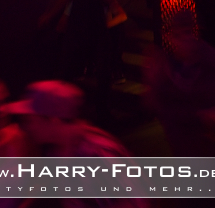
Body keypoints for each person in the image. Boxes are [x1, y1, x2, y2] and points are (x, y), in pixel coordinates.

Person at [7, 80, 145, 208]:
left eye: (29, 120)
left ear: (53, 120)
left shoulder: (98, 155)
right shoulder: (55, 150)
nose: (24, 127)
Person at [146, 9, 215, 157]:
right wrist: (151, 85)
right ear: (167, 36)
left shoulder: (213, 62)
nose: (184, 39)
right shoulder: (164, 65)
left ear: (196, 32)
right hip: (184, 152)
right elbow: (154, 106)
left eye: (187, 32)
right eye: (177, 35)